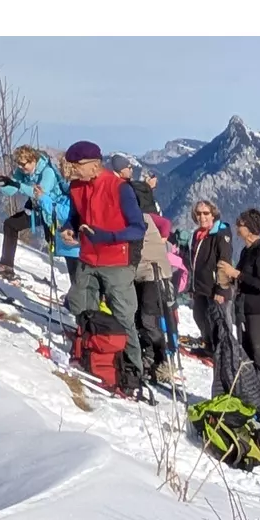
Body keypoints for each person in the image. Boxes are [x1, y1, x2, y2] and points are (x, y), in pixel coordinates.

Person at [59, 141, 148, 393]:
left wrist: (107, 237)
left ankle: (132, 372)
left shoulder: (120, 188)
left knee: (123, 317)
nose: (73, 169)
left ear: (94, 165)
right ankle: (90, 356)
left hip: (117, 262)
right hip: (88, 258)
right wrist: (69, 228)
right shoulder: (76, 186)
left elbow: (138, 228)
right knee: (83, 311)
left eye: (77, 165)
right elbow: (75, 216)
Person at [216, 208, 260, 422]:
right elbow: (242, 280)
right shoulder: (246, 251)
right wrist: (228, 278)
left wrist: (236, 274)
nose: (237, 227)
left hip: (259, 312)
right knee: (248, 357)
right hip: (243, 311)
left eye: (240, 224)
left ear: (249, 228)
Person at [117, 156, 180, 386]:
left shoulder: (145, 217)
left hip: (154, 273)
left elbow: (165, 225)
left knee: (148, 319)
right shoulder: (131, 218)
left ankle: (161, 358)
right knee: (138, 317)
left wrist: (160, 242)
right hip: (138, 274)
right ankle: (150, 354)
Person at [0, 145, 79, 285]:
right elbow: (11, 191)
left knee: (64, 250)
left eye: (24, 164)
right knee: (10, 224)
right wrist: (2, 183)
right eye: (18, 164)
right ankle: (6, 266)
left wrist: (17, 184)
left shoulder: (47, 172)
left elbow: (38, 193)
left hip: (53, 212)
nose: (21, 167)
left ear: (33, 160)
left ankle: (76, 287)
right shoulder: (22, 172)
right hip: (37, 211)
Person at [180, 200, 231, 359]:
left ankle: (225, 354)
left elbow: (224, 261)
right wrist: (192, 287)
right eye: (198, 213)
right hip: (200, 287)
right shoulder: (197, 235)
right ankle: (209, 348)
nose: (202, 217)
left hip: (214, 288)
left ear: (213, 214)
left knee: (218, 322)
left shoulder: (220, 233)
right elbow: (193, 263)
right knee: (199, 317)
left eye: (206, 213)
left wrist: (221, 289)